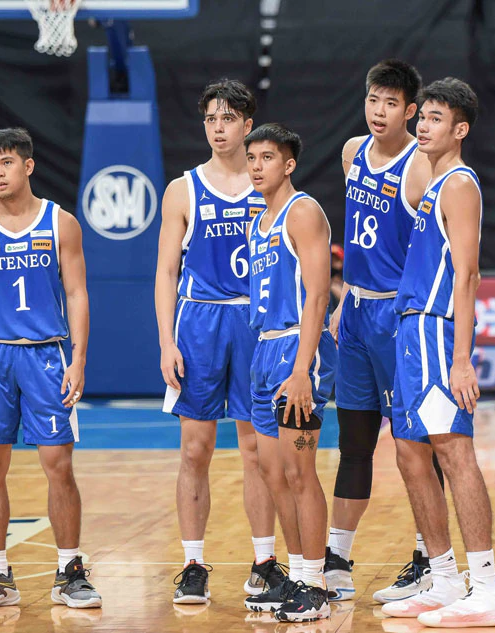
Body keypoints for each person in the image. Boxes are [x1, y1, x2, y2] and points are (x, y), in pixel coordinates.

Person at [0, 127, 101, 610]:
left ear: (28, 166)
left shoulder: (61, 223)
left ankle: (70, 571)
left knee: (59, 464)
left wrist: (78, 358)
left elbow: (76, 293)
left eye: (7, 163)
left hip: (46, 355)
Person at [387, 78, 495, 627]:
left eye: (436, 119)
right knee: (409, 454)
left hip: (437, 333)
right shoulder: (433, 181)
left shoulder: (459, 184)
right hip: (409, 331)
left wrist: (461, 359)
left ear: (460, 130)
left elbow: (468, 274)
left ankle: (486, 589)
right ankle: (443, 579)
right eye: (423, 116)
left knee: (454, 453)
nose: (423, 125)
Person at [325, 59, 448, 605]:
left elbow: (437, 243)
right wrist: (344, 296)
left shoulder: (420, 167)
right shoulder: (352, 152)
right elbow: (360, 238)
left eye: (391, 103)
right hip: (354, 314)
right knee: (353, 442)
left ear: (411, 111)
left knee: (413, 447)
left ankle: (428, 559)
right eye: (373, 100)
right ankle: (336, 557)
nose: (379, 111)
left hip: (397, 320)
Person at [155, 79, 281, 604]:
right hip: (199, 323)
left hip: (254, 322)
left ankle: (265, 561)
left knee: (256, 450)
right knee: (194, 449)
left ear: (247, 125)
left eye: (228, 118)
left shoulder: (268, 183)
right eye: (211, 118)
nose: (218, 128)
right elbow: (166, 271)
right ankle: (192, 564)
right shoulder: (183, 188)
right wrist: (166, 342)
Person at [243, 123, 337, 623]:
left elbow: (318, 295)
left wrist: (302, 369)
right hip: (264, 349)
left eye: (267, 157)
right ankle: (297, 573)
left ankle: (316, 584)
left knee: (300, 471)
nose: (258, 166)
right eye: (252, 158)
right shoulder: (257, 222)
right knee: (271, 471)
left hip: (298, 350)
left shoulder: (302, 212)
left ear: (289, 164)